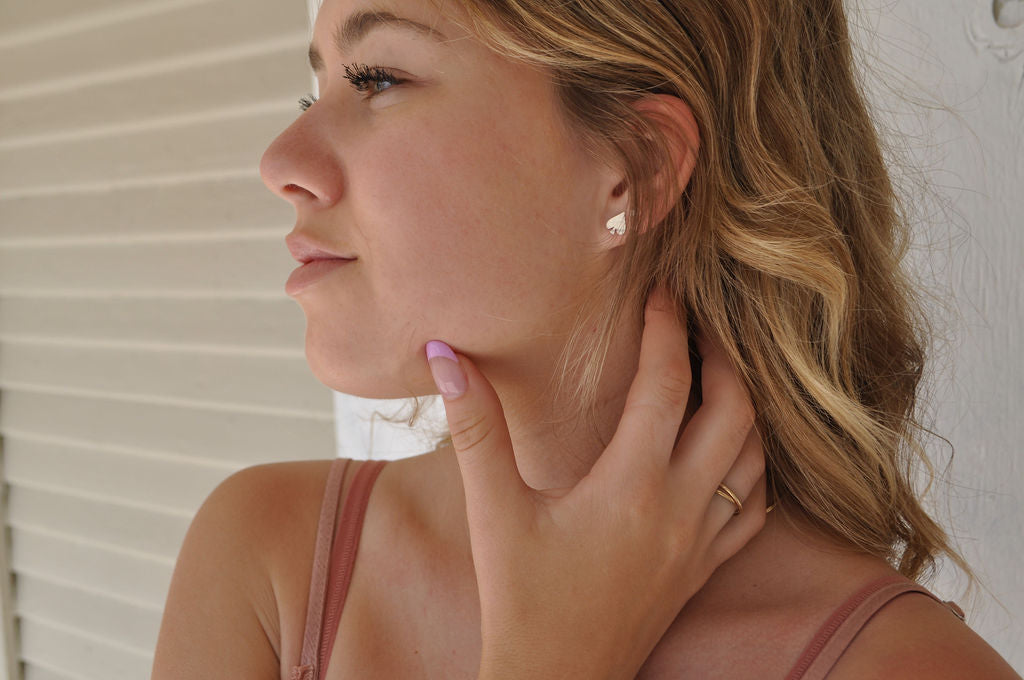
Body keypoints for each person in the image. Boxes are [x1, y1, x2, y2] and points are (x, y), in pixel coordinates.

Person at [151, 0, 1021, 678]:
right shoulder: (265, 560)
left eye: (377, 79)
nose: (280, 160)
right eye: (316, 91)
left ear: (636, 168)